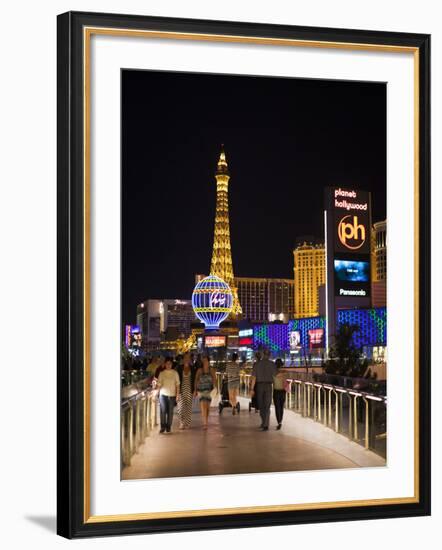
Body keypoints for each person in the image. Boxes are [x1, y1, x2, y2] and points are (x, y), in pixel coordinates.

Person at [250, 348, 277, 431]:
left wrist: (251, 389)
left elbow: (254, 377)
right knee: (267, 406)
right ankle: (265, 423)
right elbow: (275, 377)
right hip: (269, 386)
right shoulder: (272, 364)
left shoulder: (257, 364)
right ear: (269, 355)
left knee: (261, 406)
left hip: (259, 386)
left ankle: (264, 423)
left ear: (263, 354)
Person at [156, 357, 180, 433]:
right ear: (165, 364)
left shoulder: (175, 373)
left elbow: (177, 385)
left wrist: (177, 395)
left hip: (172, 395)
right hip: (163, 395)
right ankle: (162, 426)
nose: (168, 365)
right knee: (163, 411)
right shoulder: (161, 373)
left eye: (170, 364)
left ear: (172, 364)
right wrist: (157, 393)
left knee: (170, 412)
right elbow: (159, 385)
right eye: (167, 364)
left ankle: (168, 426)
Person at [194, 355, 216, 429]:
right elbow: (196, 380)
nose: (205, 362)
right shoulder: (200, 370)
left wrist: (215, 389)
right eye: (204, 361)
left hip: (209, 391)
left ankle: (206, 420)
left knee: (208, 408)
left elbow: (214, 379)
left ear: (208, 361)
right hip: (201, 391)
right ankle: (205, 423)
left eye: (206, 361)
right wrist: (195, 390)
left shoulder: (211, 370)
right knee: (203, 407)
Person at [176, 352, 196, 429]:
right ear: (183, 359)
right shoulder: (179, 368)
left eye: (188, 358)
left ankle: (187, 423)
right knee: (180, 408)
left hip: (189, 390)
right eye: (185, 358)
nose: (187, 359)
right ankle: (181, 422)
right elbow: (176, 381)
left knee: (188, 407)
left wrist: (195, 390)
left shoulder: (192, 368)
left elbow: (194, 380)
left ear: (190, 359)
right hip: (181, 390)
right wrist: (177, 392)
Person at [273, 358, 287, 430]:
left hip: (276, 391)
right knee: (281, 407)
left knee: (277, 407)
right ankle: (280, 421)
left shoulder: (273, 373)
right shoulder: (284, 373)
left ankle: (279, 422)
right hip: (283, 391)